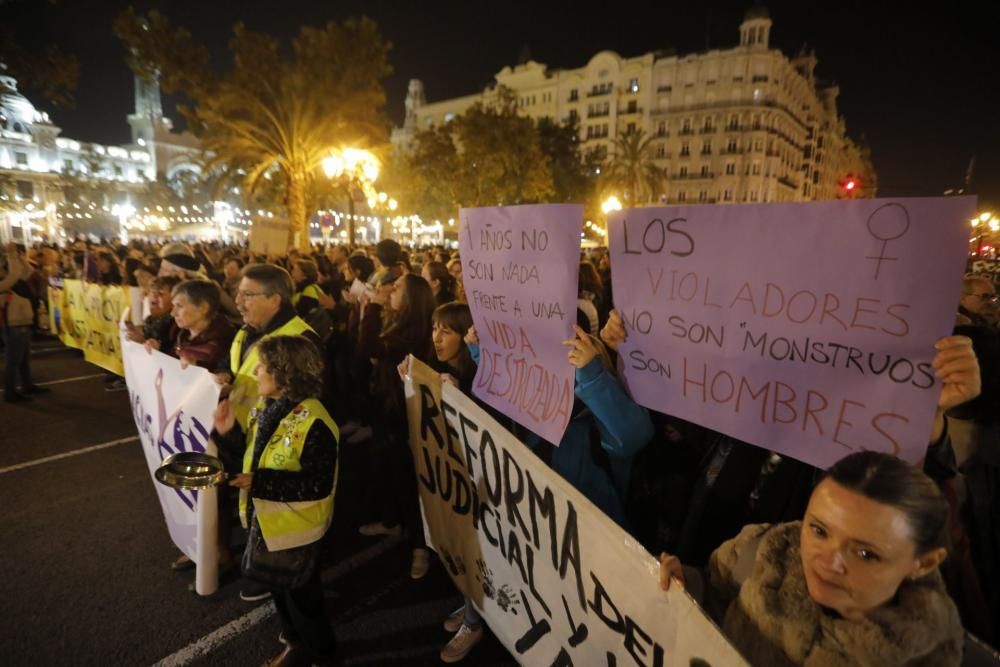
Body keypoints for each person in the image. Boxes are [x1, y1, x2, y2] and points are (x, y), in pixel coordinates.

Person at [659, 451, 964, 666]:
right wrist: (684, 584)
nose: (828, 562)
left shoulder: (930, 655)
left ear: (924, 563)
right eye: (819, 530)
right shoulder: (761, 551)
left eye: (864, 553)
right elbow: (715, 590)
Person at [211, 336, 339, 667]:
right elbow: (250, 458)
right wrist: (228, 434)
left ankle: (323, 657)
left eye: (263, 366)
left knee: (304, 602)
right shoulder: (267, 408)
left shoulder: (315, 421)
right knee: (280, 593)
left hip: (298, 533)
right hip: (269, 522)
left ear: (285, 372)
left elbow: (317, 484)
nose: (255, 371)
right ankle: (295, 645)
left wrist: (261, 483)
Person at [215, 264, 317, 435]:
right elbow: (230, 364)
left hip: (269, 442)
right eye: (238, 293)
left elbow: (299, 403)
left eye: (247, 295)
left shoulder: (300, 339)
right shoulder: (247, 329)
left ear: (274, 300)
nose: (237, 301)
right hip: (235, 431)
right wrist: (224, 375)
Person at [1, 242, 47, 402]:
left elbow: (28, 273)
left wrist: (19, 258)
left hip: (22, 319)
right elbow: (14, 276)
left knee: (24, 358)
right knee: (13, 359)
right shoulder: (4, 280)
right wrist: (12, 255)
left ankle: (27, 385)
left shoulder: (9, 272)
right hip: (11, 322)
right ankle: (10, 392)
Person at [167, 280, 236, 370]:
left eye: (179, 306)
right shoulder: (180, 332)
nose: (173, 313)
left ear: (203, 308)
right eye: (173, 306)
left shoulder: (218, 346)